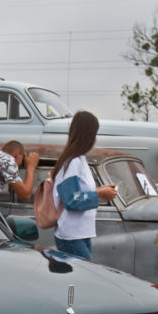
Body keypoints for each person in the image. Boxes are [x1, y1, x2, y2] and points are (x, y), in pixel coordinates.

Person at [50, 111, 117, 260]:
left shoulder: (78, 160)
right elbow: (71, 199)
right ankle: (71, 286)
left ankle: (71, 286)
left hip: (79, 234)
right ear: (88, 136)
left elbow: (76, 195)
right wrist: (99, 194)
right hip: (72, 236)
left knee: (77, 281)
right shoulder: (74, 162)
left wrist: (100, 191)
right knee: (77, 282)